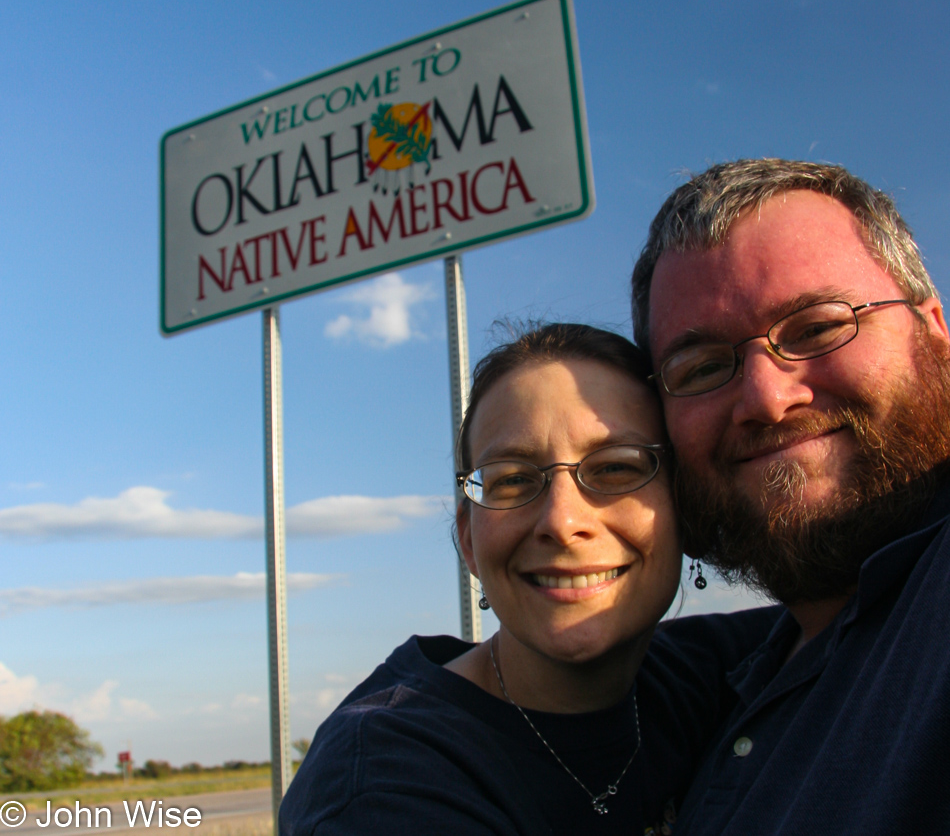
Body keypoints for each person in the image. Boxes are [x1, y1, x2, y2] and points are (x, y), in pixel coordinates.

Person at [279, 323, 776, 836]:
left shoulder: (725, 670)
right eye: (513, 479)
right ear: (469, 540)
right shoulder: (382, 785)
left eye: (616, 469)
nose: (561, 522)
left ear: (687, 509)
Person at [631, 158, 950, 834]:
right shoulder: (724, 686)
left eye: (817, 327)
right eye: (703, 367)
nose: (768, 400)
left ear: (933, 330)